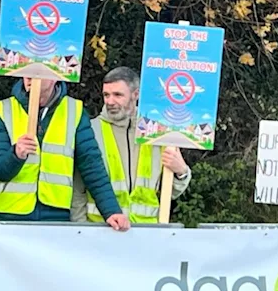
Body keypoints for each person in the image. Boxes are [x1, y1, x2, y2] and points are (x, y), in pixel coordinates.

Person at [0, 77, 130, 229]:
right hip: (7, 216)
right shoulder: (3, 109)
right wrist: (15, 155)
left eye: (38, 72)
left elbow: (92, 166)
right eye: (26, 72)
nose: (29, 77)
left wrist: (111, 211)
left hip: (55, 217)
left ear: (54, 76)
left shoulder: (75, 110)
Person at [71, 66, 190, 223]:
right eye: (106, 95)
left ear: (135, 95)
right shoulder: (91, 130)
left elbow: (168, 192)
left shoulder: (157, 133)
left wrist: (181, 172)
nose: (110, 101)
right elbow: (77, 189)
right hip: (101, 232)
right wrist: (81, 229)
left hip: (146, 234)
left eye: (117, 95)